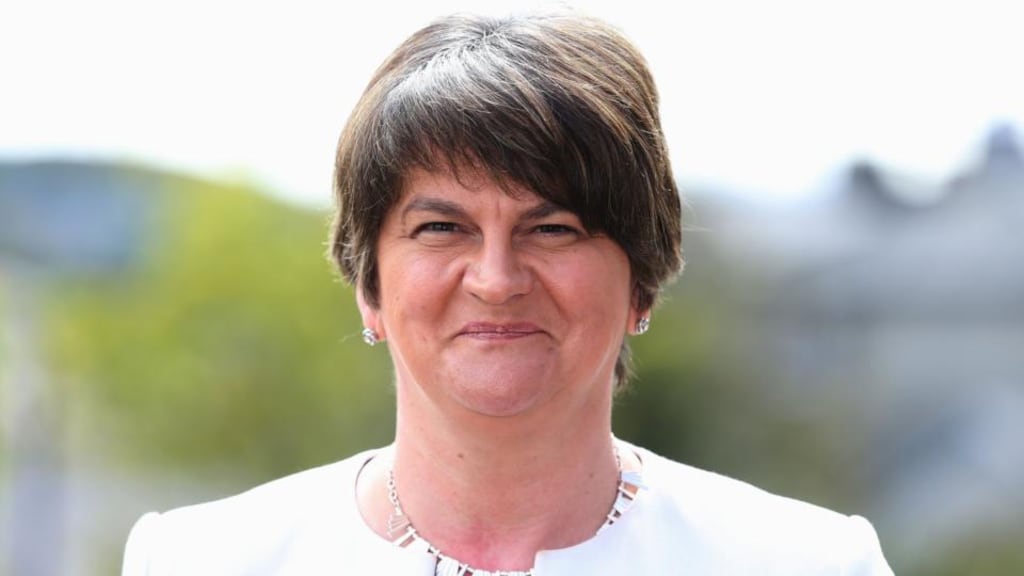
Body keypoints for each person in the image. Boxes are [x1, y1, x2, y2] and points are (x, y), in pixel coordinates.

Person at [122, 10, 893, 576]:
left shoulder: (812, 563)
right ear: (370, 288)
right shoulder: (198, 560)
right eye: (441, 229)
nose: (496, 280)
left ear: (641, 282)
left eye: (553, 228)